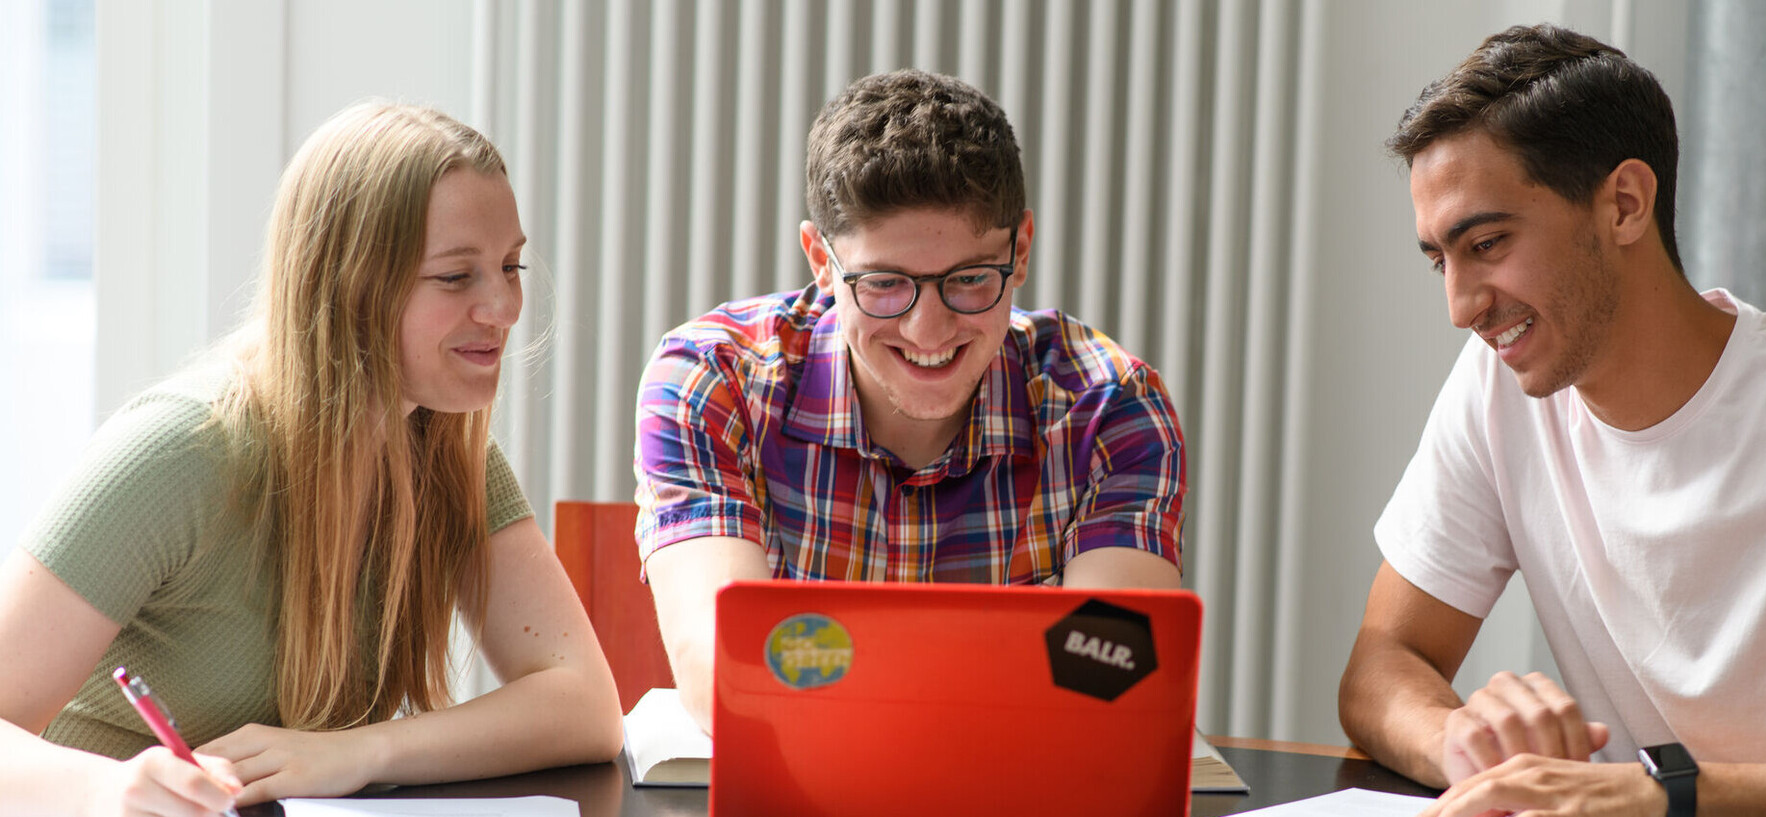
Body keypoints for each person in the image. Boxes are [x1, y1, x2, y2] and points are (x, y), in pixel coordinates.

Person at [1336, 23, 1766, 817]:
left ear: (1624, 203)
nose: (1461, 306)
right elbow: (1382, 663)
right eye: (1443, 259)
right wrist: (1465, 739)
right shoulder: (1496, 387)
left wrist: (1662, 796)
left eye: (1489, 243)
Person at [0, 102, 623, 814]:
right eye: (456, 277)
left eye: (509, 265)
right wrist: (107, 786)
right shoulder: (180, 451)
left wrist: (359, 750)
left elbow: (585, 703)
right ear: (348, 283)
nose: (505, 307)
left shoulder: (446, 450)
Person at [636, 69, 1187, 732]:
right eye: (887, 283)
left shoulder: (1109, 408)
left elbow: (1108, 682)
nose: (929, 331)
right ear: (821, 259)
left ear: (1022, 249)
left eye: (972, 278)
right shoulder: (710, 383)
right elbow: (723, 673)